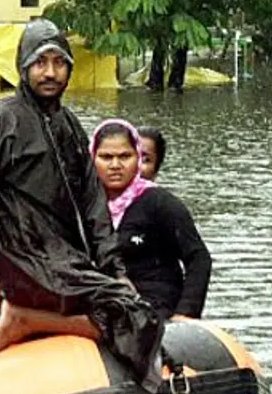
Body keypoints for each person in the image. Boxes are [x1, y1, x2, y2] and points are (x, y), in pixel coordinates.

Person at [0, 19, 166, 392]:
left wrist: (114, 270)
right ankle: (27, 319)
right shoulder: (1, 120)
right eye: (40, 63)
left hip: (65, 261)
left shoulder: (67, 123)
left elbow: (94, 207)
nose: (49, 73)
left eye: (59, 63)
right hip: (26, 259)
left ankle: (37, 320)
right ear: (22, 66)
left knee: (135, 304)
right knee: (135, 317)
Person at [91, 120, 212, 321]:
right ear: (92, 159)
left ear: (138, 158)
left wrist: (185, 313)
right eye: (106, 157)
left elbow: (198, 258)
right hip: (104, 305)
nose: (115, 165)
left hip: (156, 308)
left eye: (125, 157)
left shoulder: (159, 202)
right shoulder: (85, 206)